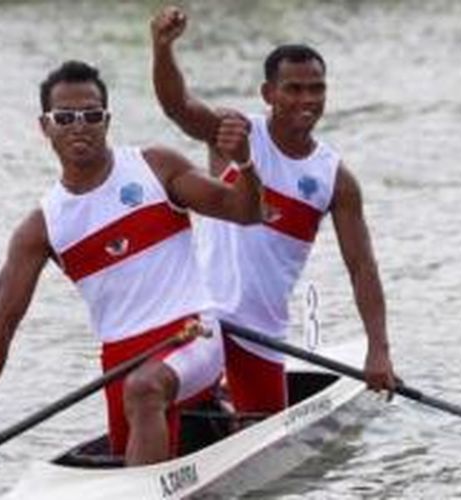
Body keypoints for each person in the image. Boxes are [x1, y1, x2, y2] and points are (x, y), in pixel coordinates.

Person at [0, 60, 265, 468]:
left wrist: (243, 163)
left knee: (144, 391)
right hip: (120, 361)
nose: (79, 125)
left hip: (193, 334)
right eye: (64, 117)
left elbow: (246, 211)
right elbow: (2, 322)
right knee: (139, 405)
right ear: (45, 127)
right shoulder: (41, 228)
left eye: (91, 115)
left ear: (107, 120)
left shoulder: (155, 167)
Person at [150, 6, 397, 415]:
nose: (307, 100)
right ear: (269, 94)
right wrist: (162, 50)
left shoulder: (336, 179)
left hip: (261, 332)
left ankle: (225, 401)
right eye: (294, 89)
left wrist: (378, 351)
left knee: (258, 426)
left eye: (316, 89)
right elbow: (177, 106)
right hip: (201, 317)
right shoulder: (232, 131)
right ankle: (207, 402)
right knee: (156, 401)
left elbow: (362, 269)